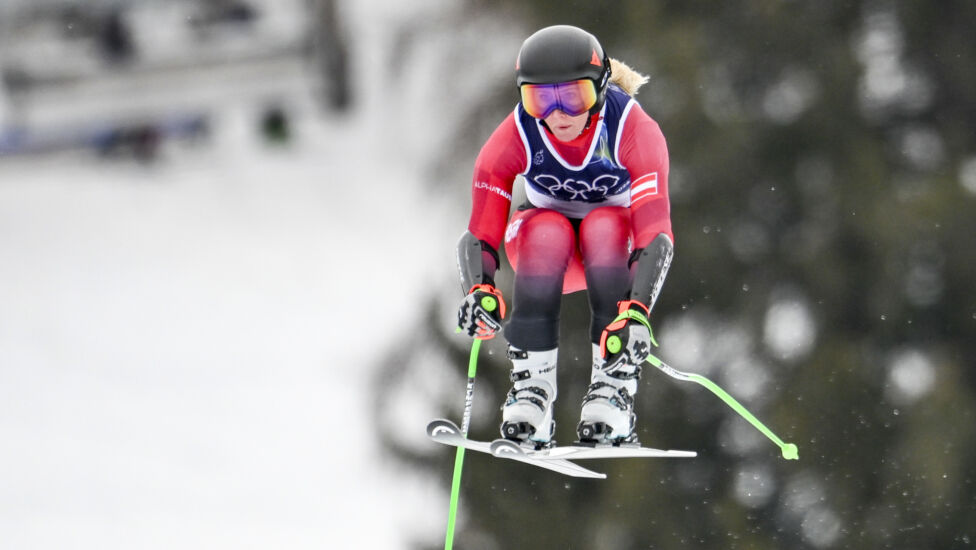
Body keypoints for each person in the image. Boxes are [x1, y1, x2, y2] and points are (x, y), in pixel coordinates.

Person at [456, 25, 673, 448]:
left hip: (612, 253)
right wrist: (478, 289)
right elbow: (480, 230)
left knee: (606, 224)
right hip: (542, 253)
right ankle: (531, 392)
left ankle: (613, 391)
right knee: (546, 228)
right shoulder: (519, 132)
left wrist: (638, 312)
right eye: (540, 99)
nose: (557, 115)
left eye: (574, 97)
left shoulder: (632, 129)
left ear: (601, 88)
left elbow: (655, 231)